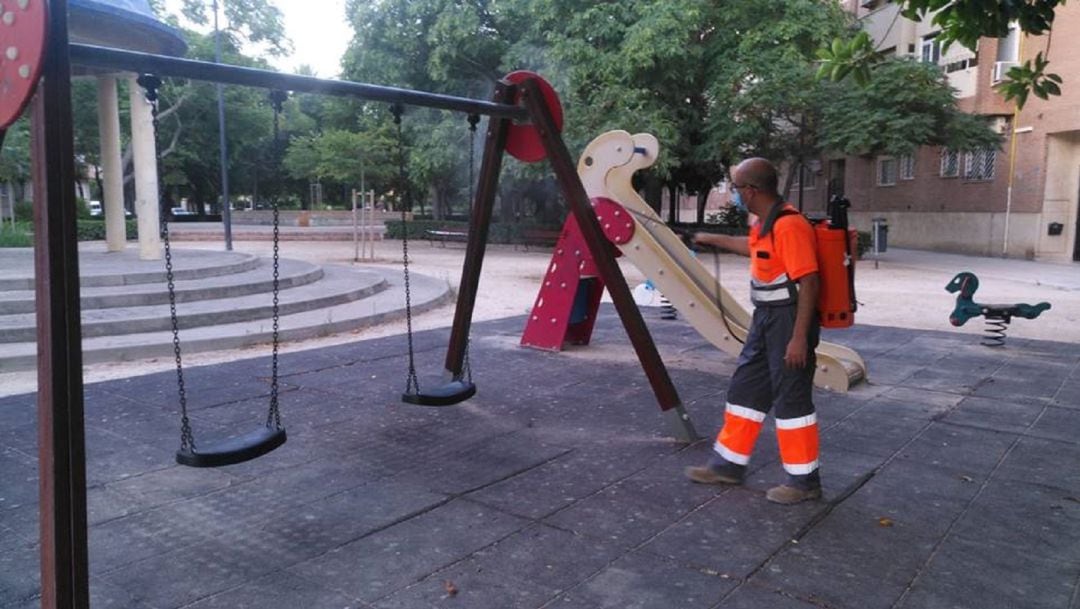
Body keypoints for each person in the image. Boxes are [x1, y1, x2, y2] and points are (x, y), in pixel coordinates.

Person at [685, 158, 822, 505]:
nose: (734, 194)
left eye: (736, 188)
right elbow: (754, 248)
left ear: (751, 190)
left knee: (792, 399)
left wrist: (798, 338)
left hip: (789, 321)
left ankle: (804, 482)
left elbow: (809, 282)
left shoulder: (790, 225)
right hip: (765, 320)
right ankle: (727, 465)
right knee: (745, 389)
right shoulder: (765, 223)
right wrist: (711, 238)